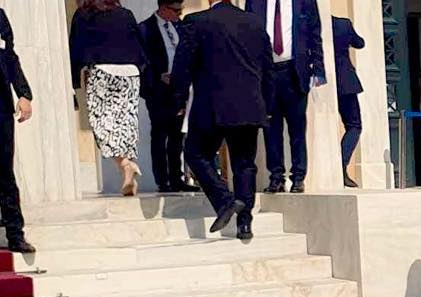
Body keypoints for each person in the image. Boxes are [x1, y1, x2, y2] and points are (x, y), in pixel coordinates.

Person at [172, 0, 274, 240]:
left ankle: (224, 200)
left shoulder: (196, 22)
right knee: (244, 164)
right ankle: (245, 223)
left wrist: (178, 100)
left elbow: (183, 66)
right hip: (249, 105)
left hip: (212, 105)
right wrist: (267, 105)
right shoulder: (254, 22)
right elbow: (267, 68)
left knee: (196, 154)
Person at [69, 0, 148, 197]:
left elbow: (75, 48)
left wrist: (73, 83)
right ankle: (127, 170)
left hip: (102, 71)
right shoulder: (125, 14)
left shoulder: (84, 15)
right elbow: (139, 44)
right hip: (130, 72)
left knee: (101, 124)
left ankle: (125, 164)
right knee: (126, 123)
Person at [245, 0, 324, 194]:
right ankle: (276, 176)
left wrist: (318, 69)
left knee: (297, 128)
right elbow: (248, 35)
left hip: (294, 71)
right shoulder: (255, 3)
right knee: (271, 128)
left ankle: (298, 176)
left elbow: (315, 33)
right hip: (267, 72)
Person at [140, 0, 198, 194]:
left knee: (177, 135)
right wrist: (158, 77)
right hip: (158, 90)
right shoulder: (145, 29)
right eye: (175, 10)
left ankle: (176, 178)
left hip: (179, 89)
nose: (179, 14)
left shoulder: (181, 27)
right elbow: (142, 61)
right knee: (159, 134)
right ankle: (162, 180)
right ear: (163, 8)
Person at [0, 8, 34, 254]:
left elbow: (10, 56)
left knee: (4, 171)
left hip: (1, 107)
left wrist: (24, 93)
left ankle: (15, 234)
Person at [331, 15, 364, 188]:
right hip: (345, 82)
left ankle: (338, 166)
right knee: (354, 125)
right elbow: (360, 43)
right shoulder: (343, 24)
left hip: (323, 81)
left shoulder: (308, 23)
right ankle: (341, 165)